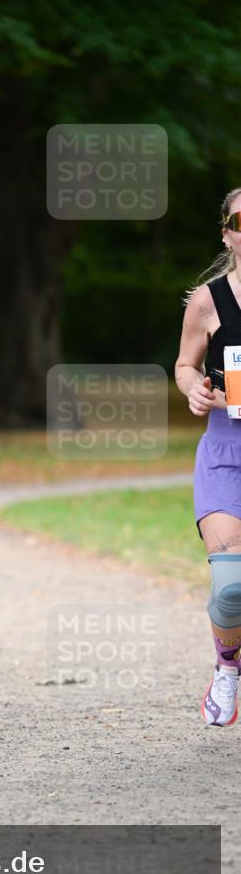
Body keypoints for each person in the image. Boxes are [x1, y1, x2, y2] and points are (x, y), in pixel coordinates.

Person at [175, 186, 241, 726]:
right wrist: (194, 389)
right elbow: (184, 366)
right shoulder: (207, 300)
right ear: (227, 234)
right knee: (231, 587)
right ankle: (227, 666)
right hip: (226, 450)